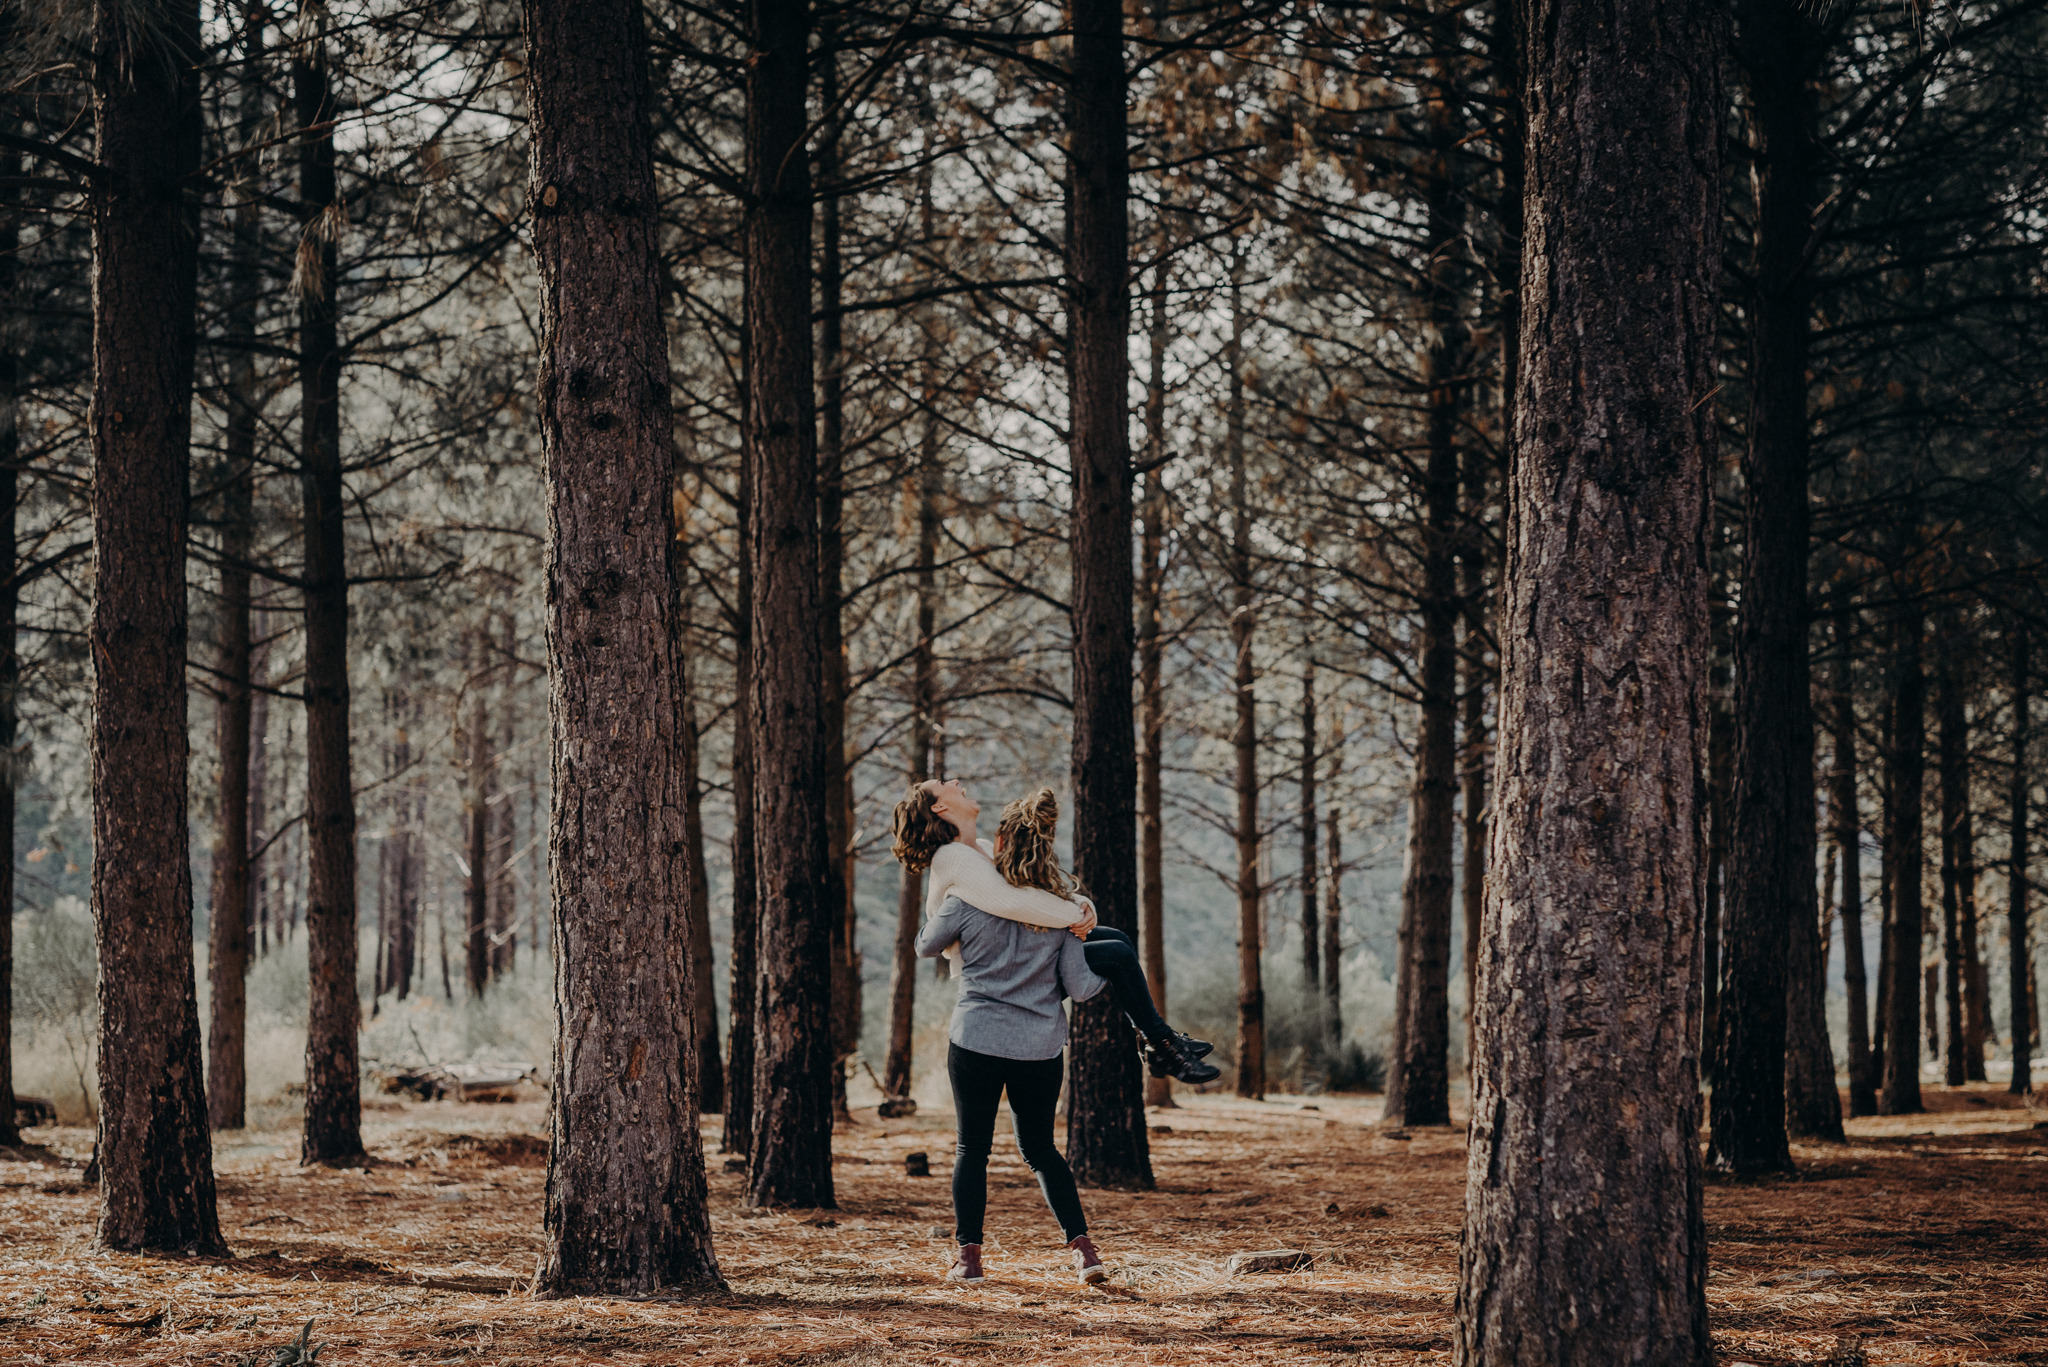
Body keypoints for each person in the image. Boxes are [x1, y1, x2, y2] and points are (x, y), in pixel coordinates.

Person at [895, 778, 1217, 1083]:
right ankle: (1161, 1046)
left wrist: (1080, 903)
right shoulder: (953, 857)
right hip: (1002, 968)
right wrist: (1074, 913)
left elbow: (1028, 890)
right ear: (938, 808)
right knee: (1117, 955)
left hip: (1020, 950)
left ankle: (1159, 1039)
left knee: (1118, 941)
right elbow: (1010, 901)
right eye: (942, 784)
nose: (953, 782)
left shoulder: (978, 848)